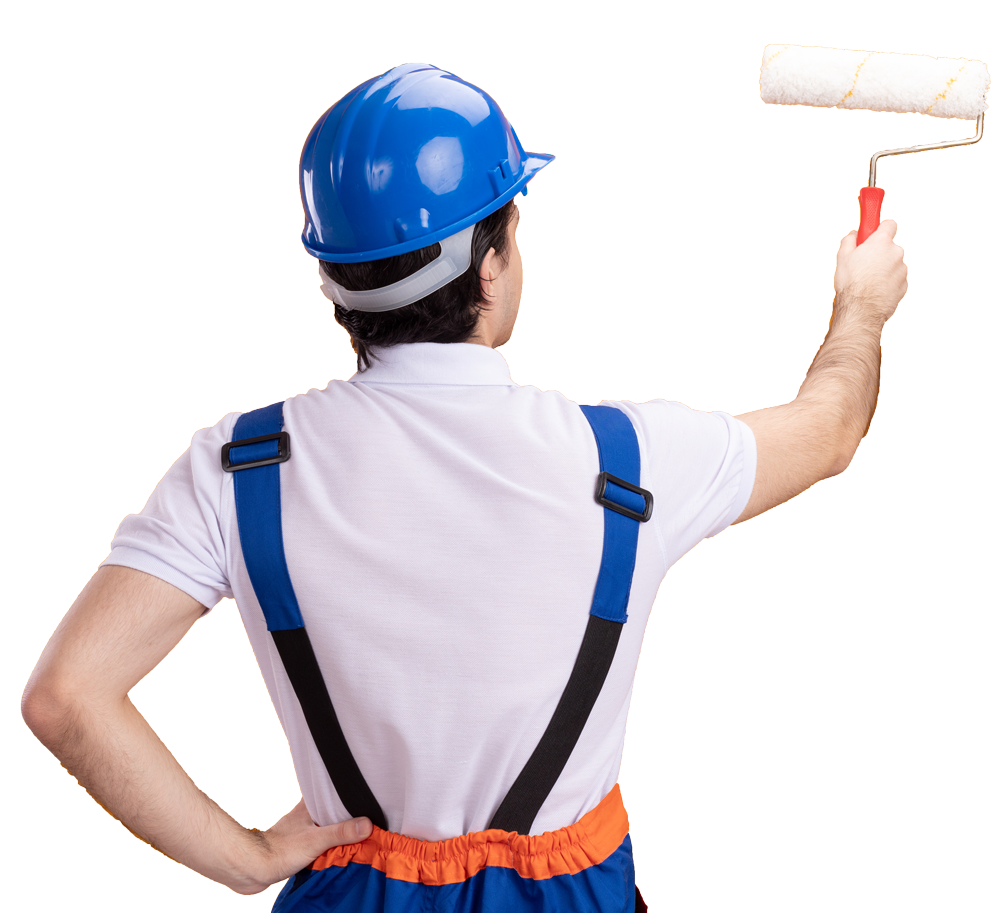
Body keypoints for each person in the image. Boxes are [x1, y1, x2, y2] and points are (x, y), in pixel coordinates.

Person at [20, 63, 908, 912]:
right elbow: (830, 427)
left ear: (334, 276)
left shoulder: (241, 466)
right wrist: (861, 303)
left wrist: (245, 858)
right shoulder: (629, 462)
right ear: (490, 265)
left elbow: (66, 696)